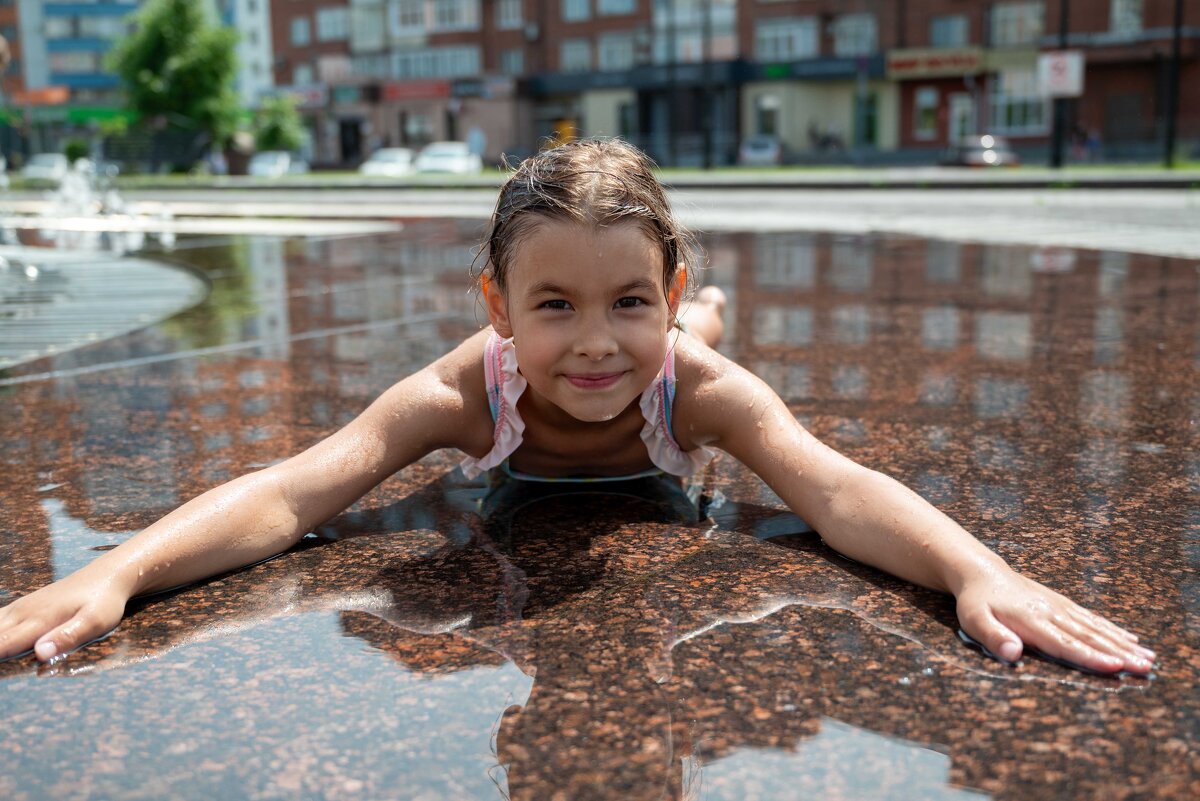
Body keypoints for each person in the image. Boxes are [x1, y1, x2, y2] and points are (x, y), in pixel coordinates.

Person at [0, 138, 1154, 676]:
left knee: (691, 365)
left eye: (630, 299)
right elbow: (298, 488)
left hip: (686, 381)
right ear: (498, 305)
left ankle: (704, 324)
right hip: (548, 430)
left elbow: (837, 488)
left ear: (669, 288)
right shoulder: (466, 385)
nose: (594, 340)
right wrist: (116, 571)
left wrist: (975, 572)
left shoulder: (694, 389)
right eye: (554, 303)